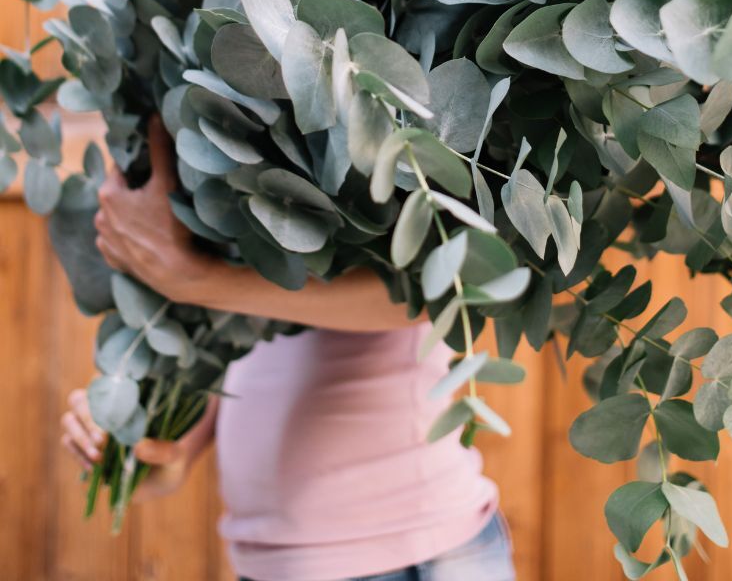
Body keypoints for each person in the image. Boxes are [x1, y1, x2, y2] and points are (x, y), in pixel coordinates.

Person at [59, 120, 515, 581]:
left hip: (406, 554)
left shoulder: (372, 129)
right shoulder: (238, 146)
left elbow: (430, 297)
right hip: (276, 562)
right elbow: (247, 343)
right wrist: (161, 450)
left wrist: (199, 282)